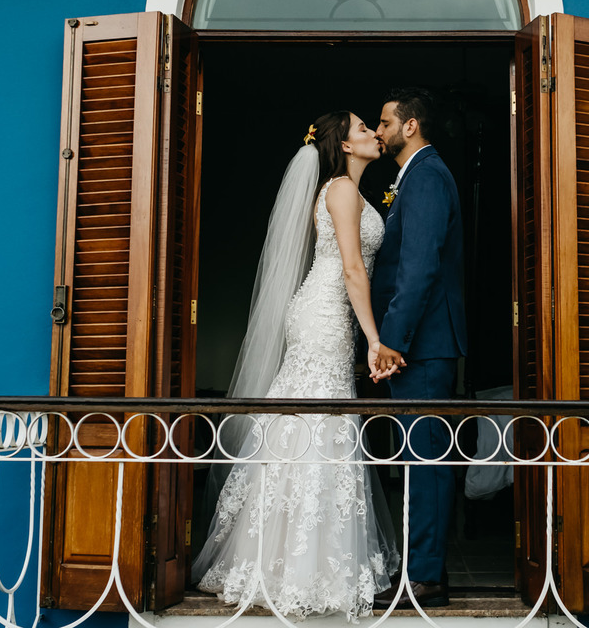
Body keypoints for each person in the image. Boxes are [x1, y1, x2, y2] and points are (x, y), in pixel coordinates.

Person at [192, 111, 400, 622]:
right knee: (318, 424)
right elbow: (353, 268)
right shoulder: (343, 192)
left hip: (327, 313)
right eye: (362, 129)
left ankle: (304, 560)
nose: (374, 133)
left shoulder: (346, 190)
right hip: (326, 314)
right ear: (345, 146)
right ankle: (298, 568)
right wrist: (375, 340)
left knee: (314, 426)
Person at [369, 88, 468, 609]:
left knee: (425, 461)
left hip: (423, 347)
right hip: (420, 344)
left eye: (385, 122)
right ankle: (420, 569)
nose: (379, 131)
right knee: (416, 457)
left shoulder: (427, 176)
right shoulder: (414, 176)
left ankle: (425, 577)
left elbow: (420, 266)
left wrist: (391, 340)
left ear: (410, 126)